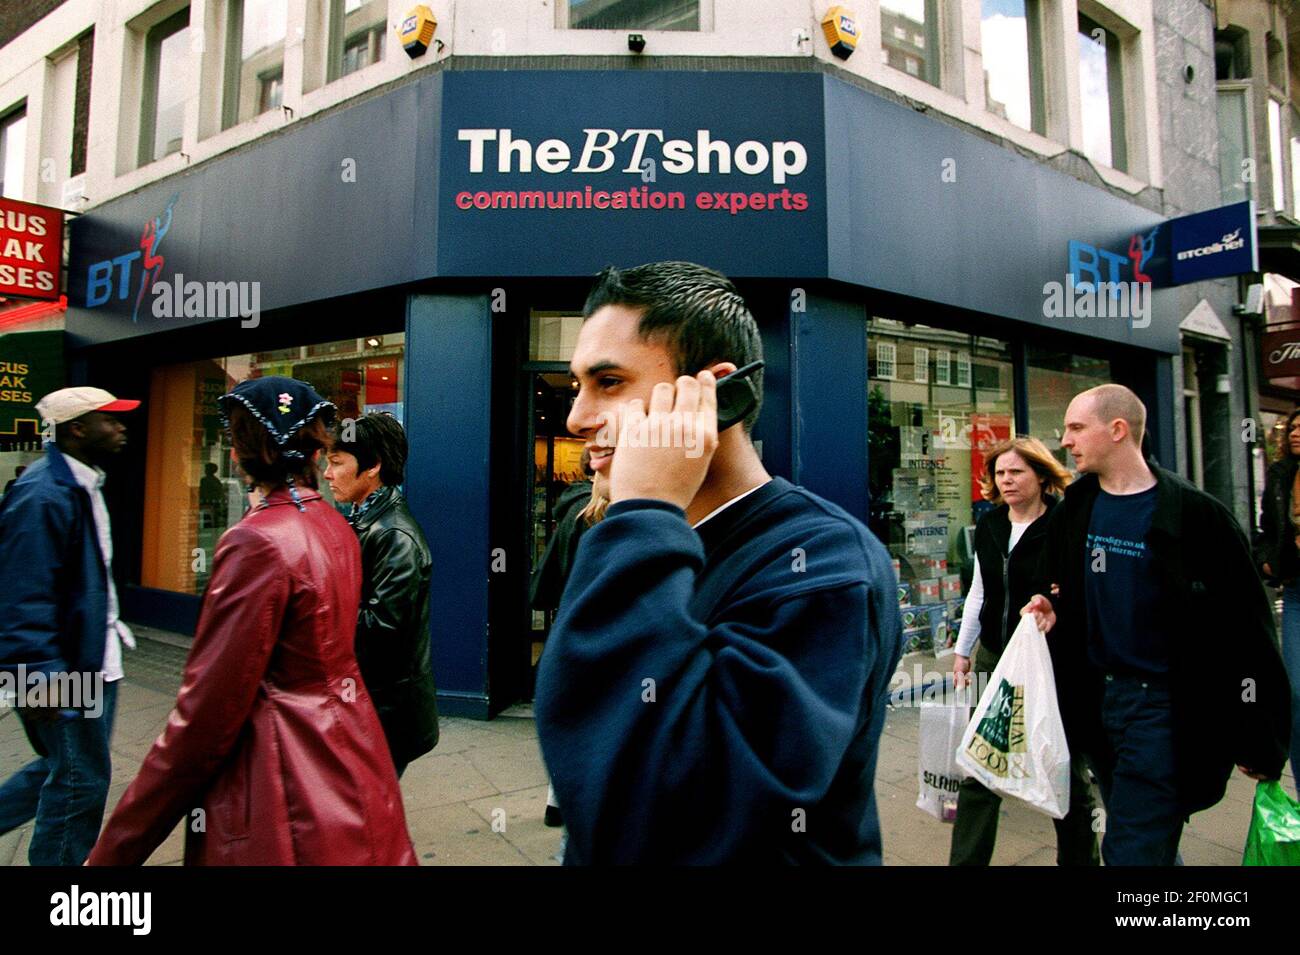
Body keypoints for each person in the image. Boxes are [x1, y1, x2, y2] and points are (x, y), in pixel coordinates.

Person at [534, 261, 903, 864]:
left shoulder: (825, 565)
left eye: (608, 382)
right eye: (578, 386)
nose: (576, 418)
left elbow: (669, 816)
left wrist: (646, 509)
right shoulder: (635, 534)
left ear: (716, 395)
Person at [88, 377, 416, 865]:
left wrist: (113, 853)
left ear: (242, 451)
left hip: (286, 783)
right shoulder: (333, 524)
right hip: (354, 756)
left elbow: (202, 721)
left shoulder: (255, 542)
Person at [1023, 384, 1290, 866]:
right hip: (1097, 704)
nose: (1065, 440)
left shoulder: (1196, 516)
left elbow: (1248, 632)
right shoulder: (1077, 508)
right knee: (1147, 840)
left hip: (1163, 710)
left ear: (1118, 430)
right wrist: (1049, 604)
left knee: (1130, 851)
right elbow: (1060, 582)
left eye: (1077, 427)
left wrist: (1261, 735)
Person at [0, 387, 139, 865]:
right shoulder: (43, 494)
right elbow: (21, 597)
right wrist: (42, 680)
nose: (121, 428)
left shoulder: (80, 483)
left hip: (91, 660)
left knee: (62, 768)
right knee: (81, 782)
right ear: (77, 429)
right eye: (110, 420)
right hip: (63, 670)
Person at [948, 436, 1098, 866]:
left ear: (1040, 476)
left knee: (1064, 769)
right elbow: (979, 591)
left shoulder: (1064, 525)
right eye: (1000, 473)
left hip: (1053, 664)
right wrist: (963, 650)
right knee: (980, 765)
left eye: (1017, 472)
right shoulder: (991, 525)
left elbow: (1083, 593)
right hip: (997, 659)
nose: (1007, 481)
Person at [324, 411, 438, 778]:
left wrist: (317, 607)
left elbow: (381, 631)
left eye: (337, 462)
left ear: (372, 467)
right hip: (365, 708)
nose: (328, 473)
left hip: (383, 716)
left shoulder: (394, 536)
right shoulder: (365, 520)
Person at [1254, 407, 1300, 797]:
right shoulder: (1282, 473)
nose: (1297, 433)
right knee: (1296, 691)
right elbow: (1267, 526)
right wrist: (1267, 556)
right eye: (1294, 427)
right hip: (1297, 588)